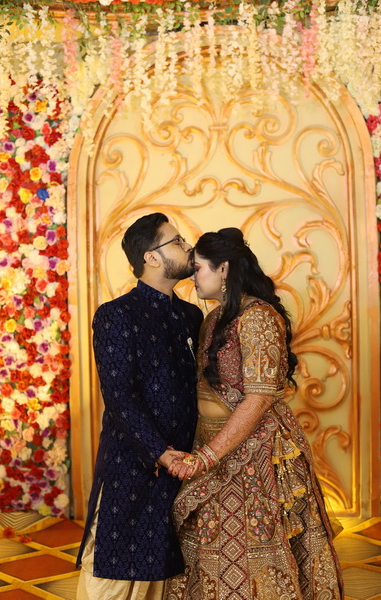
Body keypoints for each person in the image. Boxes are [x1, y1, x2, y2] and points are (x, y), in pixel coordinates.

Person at [165, 228, 344, 600]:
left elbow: (259, 399)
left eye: (198, 269)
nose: (192, 277)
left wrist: (207, 457)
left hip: (255, 452)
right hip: (211, 443)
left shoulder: (257, 317)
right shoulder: (214, 318)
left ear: (224, 268)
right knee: (209, 550)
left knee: (255, 551)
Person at [76, 213, 203, 600]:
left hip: (182, 465)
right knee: (112, 571)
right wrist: (159, 451)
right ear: (151, 257)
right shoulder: (117, 314)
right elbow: (119, 396)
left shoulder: (191, 316)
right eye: (177, 241)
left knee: (161, 573)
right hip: (131, 463)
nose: (188, 247)